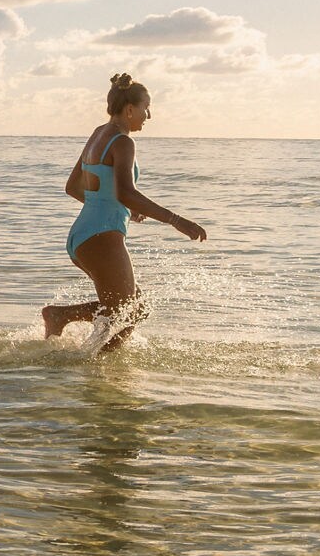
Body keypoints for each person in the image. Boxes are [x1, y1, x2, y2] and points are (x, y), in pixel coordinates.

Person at [42, 73, 206, 351]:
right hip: (101, 235)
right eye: (145, 107)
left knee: (135, 310)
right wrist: (177, 221)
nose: (148, 115)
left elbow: (73, 187)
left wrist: (117, 206)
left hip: (83, 235)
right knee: (124, 309)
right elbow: (125, 192)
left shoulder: (98, 134)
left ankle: (94, 359)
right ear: (130, 109)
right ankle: (62, 317)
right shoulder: (123, 142)